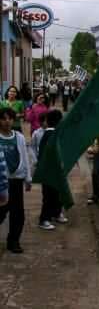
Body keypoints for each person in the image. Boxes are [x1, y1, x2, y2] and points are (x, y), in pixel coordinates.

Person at [0, 107, 31, 253]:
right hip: (1, 182)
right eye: (4, 118)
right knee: (1, 212)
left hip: (16, 180)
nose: (7, 121)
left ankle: (14, 241)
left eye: (10, 118)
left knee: (18, 213)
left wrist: (28, 178)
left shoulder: (18, 137)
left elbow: (25, 157)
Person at [38, 110, 67, 230]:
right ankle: (44, 219)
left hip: (55, 170)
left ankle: (56, 213)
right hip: (49, 171)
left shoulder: (53, 134)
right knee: (49, 196)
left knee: (57, 193)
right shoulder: (50, 135)